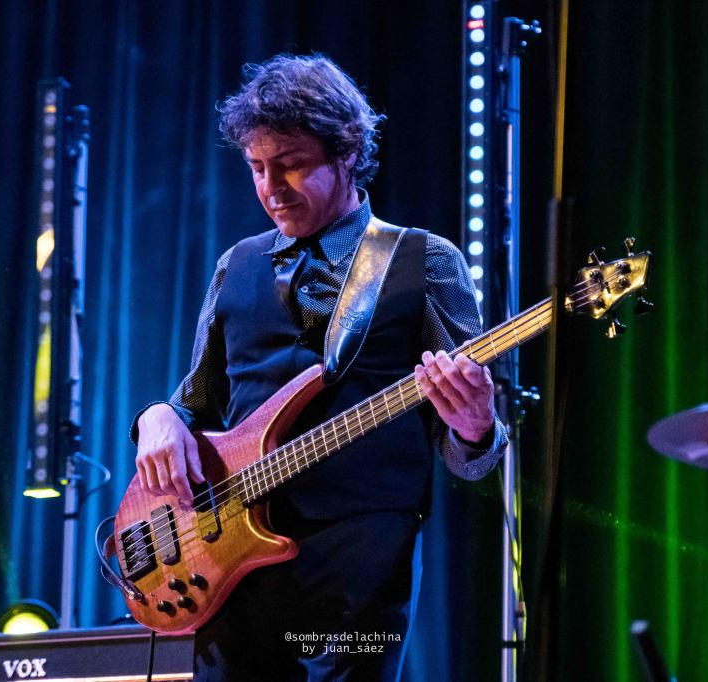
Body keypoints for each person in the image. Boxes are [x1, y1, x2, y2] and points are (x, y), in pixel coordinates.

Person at [131, 54, 506, 681]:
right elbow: (195, 400)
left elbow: (473, 456)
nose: (271, 187)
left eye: (291, 163)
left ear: (348, 151)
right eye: (257, 167)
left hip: (363, 558)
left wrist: (475, 426)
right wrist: (157, 416)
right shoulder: (235, 263)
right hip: (232, 554)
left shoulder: (423, 259)